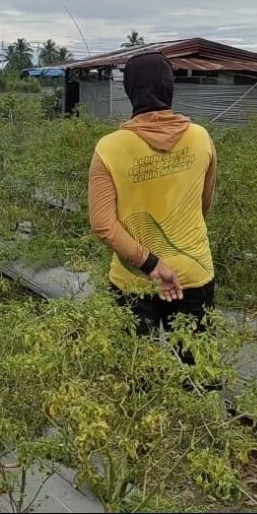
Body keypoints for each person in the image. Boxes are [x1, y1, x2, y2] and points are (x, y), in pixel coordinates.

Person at [88, 53, 217, 364]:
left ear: (130, 91)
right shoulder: (201, 138)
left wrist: (151, 265)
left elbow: (103, 224)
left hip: (134, 279)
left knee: (138, 373)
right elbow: (204, 203)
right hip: (194, 274)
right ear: (169, 89)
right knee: (198, 371)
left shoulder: (109, 148)